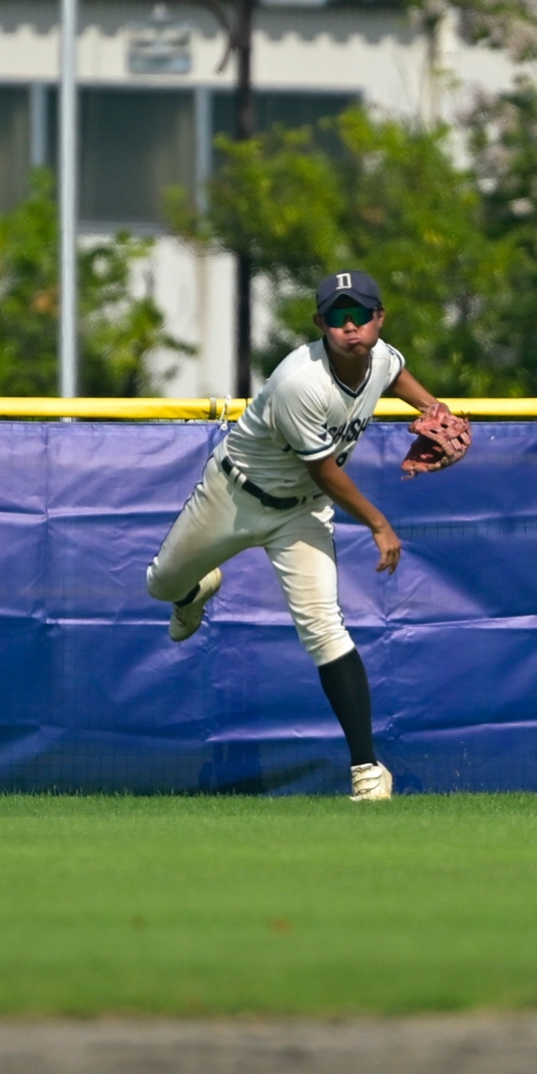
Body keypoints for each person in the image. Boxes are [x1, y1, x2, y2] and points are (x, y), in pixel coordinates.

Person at [144, 271, 458, 802]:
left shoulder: (380, 356)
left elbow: (396, 373)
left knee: (324, 627)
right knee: (161, 583)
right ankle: (195, 589)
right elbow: (325, 470)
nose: (351, 326)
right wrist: (379, 523)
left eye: (361, 314)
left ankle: (367, 771)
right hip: (234, 496)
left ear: (380, 318)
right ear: (320, 323)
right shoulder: (300, 381)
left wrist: (434, 410)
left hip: (301, 514)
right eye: (337, 316)